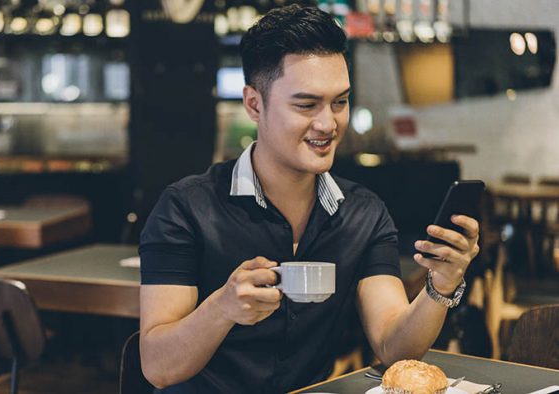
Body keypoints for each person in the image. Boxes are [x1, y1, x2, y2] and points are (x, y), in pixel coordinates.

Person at [138, 4, 480, 393]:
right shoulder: (186, 208)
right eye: (306, 105)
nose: (327, 123)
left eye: (340, 102)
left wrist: (442, 284)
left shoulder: (362, 214)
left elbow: (393, 345)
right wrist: (222, 309)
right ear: (254, 103)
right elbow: (157, 366)